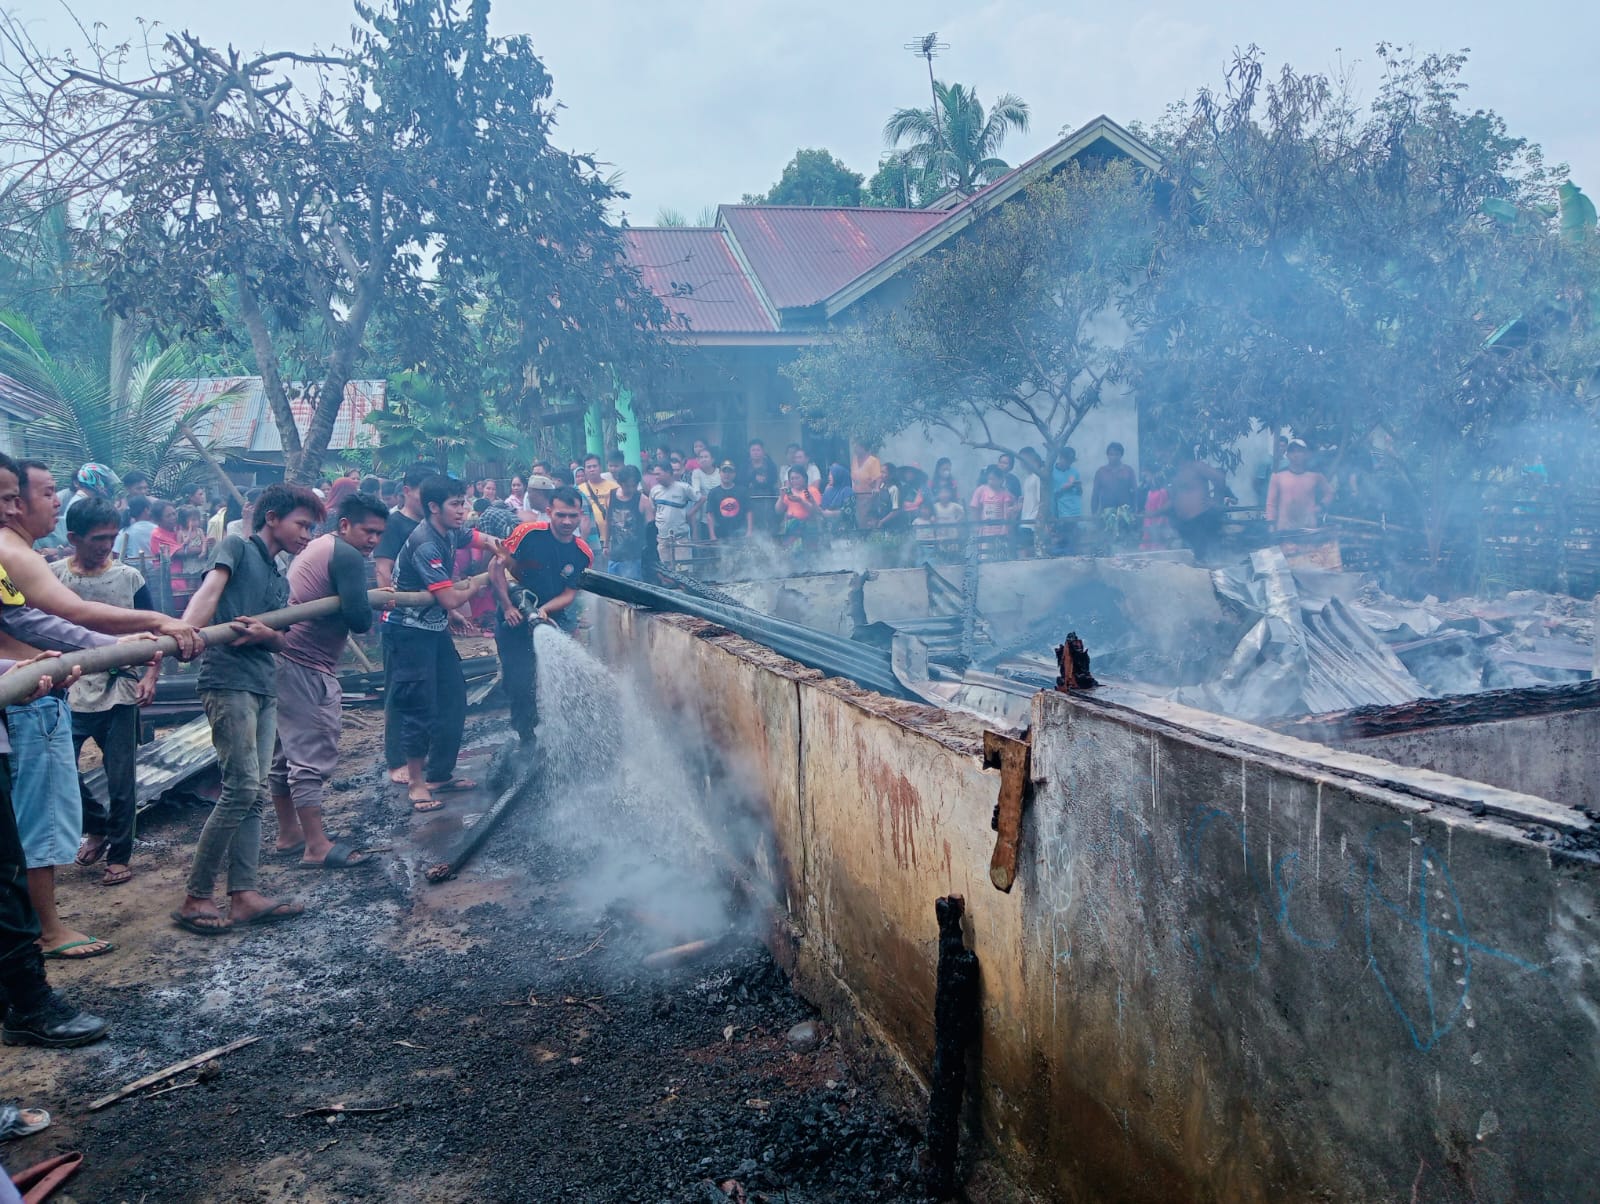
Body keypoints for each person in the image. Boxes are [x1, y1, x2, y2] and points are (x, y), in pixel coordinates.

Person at [173, 483, 323, 936]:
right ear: (272, 517)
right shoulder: (237, 546)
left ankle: (244, 895)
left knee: (253, 792)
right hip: (227, 681)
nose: (307, 534)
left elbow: (281, 639)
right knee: (240, 788)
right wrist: (184, 632)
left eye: (312, 527)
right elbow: (209, 591)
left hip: (262, 684)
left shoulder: (280, 575)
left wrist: (266, 635)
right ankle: (196, 896)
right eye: (301, 524)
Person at [267, 493, 388, 870]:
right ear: (345, 525)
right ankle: (316, 845)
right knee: (307, 755)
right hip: (304, 662)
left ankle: (290, 833)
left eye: (379, 534)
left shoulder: (321, 546)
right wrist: (375, 601)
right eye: (368, 531)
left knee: (283, 754)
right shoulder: (346, 555)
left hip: (281, 659)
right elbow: (359, 620)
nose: (373, 541)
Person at [54, 498, 160, 889]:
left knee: (121, 778)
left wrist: (151, 674)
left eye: (112, 537)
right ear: (73, 538)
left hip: (120, 686)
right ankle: (94, 826)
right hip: (70, 687)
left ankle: (119, 854)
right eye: (98, 538)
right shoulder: (53, 578)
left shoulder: (129, 577)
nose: (106, 545)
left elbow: (156, 632)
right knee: (60, 769)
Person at [382, 475, 498, 813]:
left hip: (432, 628)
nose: (462, 511)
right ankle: (417, 783)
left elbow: (474, 536)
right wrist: (481, 582)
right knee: (420, 706)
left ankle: (439, 774)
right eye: (455, 504)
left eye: (463, 503)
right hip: (408, 632)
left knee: (454, 698)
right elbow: (448, 598)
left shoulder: (449, 529)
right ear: (434, 507)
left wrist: (499, 544)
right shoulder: (426, 542)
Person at [489, 490, 592, 743]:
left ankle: (567, 734)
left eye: (572, 516)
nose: (567, 522)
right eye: (560, 515)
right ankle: (526, 735)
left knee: (564, 677)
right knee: (518, 680)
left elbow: (569, 594)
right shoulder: (529, 534)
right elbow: (496, 565)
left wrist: (544, 610)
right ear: (549, 513)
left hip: (552, 617)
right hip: (514, 614)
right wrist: (507, 606)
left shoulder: (582, 553)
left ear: (580, 515)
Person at [1169, 453, 1237, 563]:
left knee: (1207, 560)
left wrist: (1216, 499)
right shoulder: (1177, 472)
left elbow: (1218, 477)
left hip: (1201, 521)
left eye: (1168, 453)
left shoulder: (1197, 466)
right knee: (1191, 561)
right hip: (1186, 524)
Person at [1266, 439, 1334, 533]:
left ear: (1306, 454)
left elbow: (1329, 493)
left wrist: (1320, 506)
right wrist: (1271, 525)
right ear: (1287, 455)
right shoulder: (1277, 475)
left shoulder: (1315, 475)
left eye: (1299, 451)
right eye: (1292, 451)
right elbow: (1271, 503)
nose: (1296, 454)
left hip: (1308, 528)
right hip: (1284, 528)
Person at [601, 466, 651, 579]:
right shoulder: (611, 495)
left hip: (635, 556)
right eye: (628, 486)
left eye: (634, 486)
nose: (631, 489)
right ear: (620, 482)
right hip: (616, 553)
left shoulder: (643, 500)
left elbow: (650, 528)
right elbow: (608, 521)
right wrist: (606, 545)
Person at [650, 460, 699, 564]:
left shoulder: (683, 488)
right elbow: (653, 511)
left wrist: (690, 513)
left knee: (683, 569)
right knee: (666, 570)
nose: (656, 477)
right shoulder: (654, 491)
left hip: (681, 537)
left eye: (658, 474)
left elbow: (700, 499)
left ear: (668, 472)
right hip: (662, 539)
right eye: (655, 474)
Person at [576, 454, 619, 551]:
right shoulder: (579, 490)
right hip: (590, 538)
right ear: (585, 470)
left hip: (611, 538)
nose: (592, 469)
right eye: (589, 467)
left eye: (594, 466)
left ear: (600, 467)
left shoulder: (614, 487)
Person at [704, 460, 753, 545]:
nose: (727, 474)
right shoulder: (713, 492)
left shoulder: (743, 491)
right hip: (720, 535)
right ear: (719, 473)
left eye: (730, 471)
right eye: (724, 471)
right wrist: (712, 535)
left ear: (734, 474)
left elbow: (749, 512)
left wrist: (749, 531)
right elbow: (709, 515)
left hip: (740, 534)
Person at [969, 466, 1016, 552]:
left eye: (993, 479)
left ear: (1001, 480)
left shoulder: (1005, 493)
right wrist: (977, 524)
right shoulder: (981, 490)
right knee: (985, 551)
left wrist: (1004, 528)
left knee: (999, 551)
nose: (991, 482)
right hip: (985, 528)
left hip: (999, 528)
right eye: (989, 479)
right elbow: (974, 507)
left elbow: (1006, 512)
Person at [774, 467, 822, 547]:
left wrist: (801, 501)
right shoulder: (789, 493)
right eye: (792, 479)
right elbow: (778, 511)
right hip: (791, 530)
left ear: (804, 478)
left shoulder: (811, 491)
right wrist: (781, 496)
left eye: (797, 478)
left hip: (808, 529)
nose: (794, 481)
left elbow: (816, 511)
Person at [1091, 443, 1139, 517]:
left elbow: (1135, 491)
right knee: (1107, 528)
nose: (1113, 457)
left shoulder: (1128, 470)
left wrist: (1135, 508)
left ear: (1121, 455)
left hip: (1125, 511)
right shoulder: (1101, 472)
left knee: (1125, 528)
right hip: (1106, 511)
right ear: (1107, 455)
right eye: (1111, 454)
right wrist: (1094, 512)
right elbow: (1095, 493)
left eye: (1116, 454)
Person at [1051, 448, 1084, 553]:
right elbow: (1049, 493)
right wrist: (1062, 488)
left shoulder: (1074, 472)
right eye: (1067, 460)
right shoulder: (1052, 472)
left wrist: (1078, 487)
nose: (1069, 463)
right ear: (1061, 458)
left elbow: (1079, 493)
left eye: (1071, 461)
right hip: (1061, 511)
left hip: (1075, 511)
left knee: (1073, 540)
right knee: (1060, 539)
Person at [1015, 448, 1045, 555]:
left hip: (1033, 521)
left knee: (1031, 551)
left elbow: (1042, 499)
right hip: (1025, 520)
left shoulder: (1039, 477)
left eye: (1022, 459)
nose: (1021, 462)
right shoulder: (1028, 478)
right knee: (1025, 551)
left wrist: (1039, 517)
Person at [112, 495, 156, 566]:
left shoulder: (125, 531)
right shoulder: (157, 529)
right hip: (156, 572)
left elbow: (116, 554)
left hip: (132, 572)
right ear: (146, 510)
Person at [1139, 467, 1175, 551]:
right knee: (1146, 546)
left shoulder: (1162, 492)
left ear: (1154, 476)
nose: (1145, 479)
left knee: (1157, 546)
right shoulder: (1149, 492)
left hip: (1157, 523)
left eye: (1147, 476)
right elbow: (1147, 507)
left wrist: (1158, 525)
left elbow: (1162, 511)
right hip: (1148, 522)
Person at [849, 441, 885, 506]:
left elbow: (878, 478)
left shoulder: (873, 461)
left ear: (863, 448)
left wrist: (877, 488)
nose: (854, 449)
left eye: (856, 447)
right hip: (856, 497)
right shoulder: (855, 460)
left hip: (869, 498)